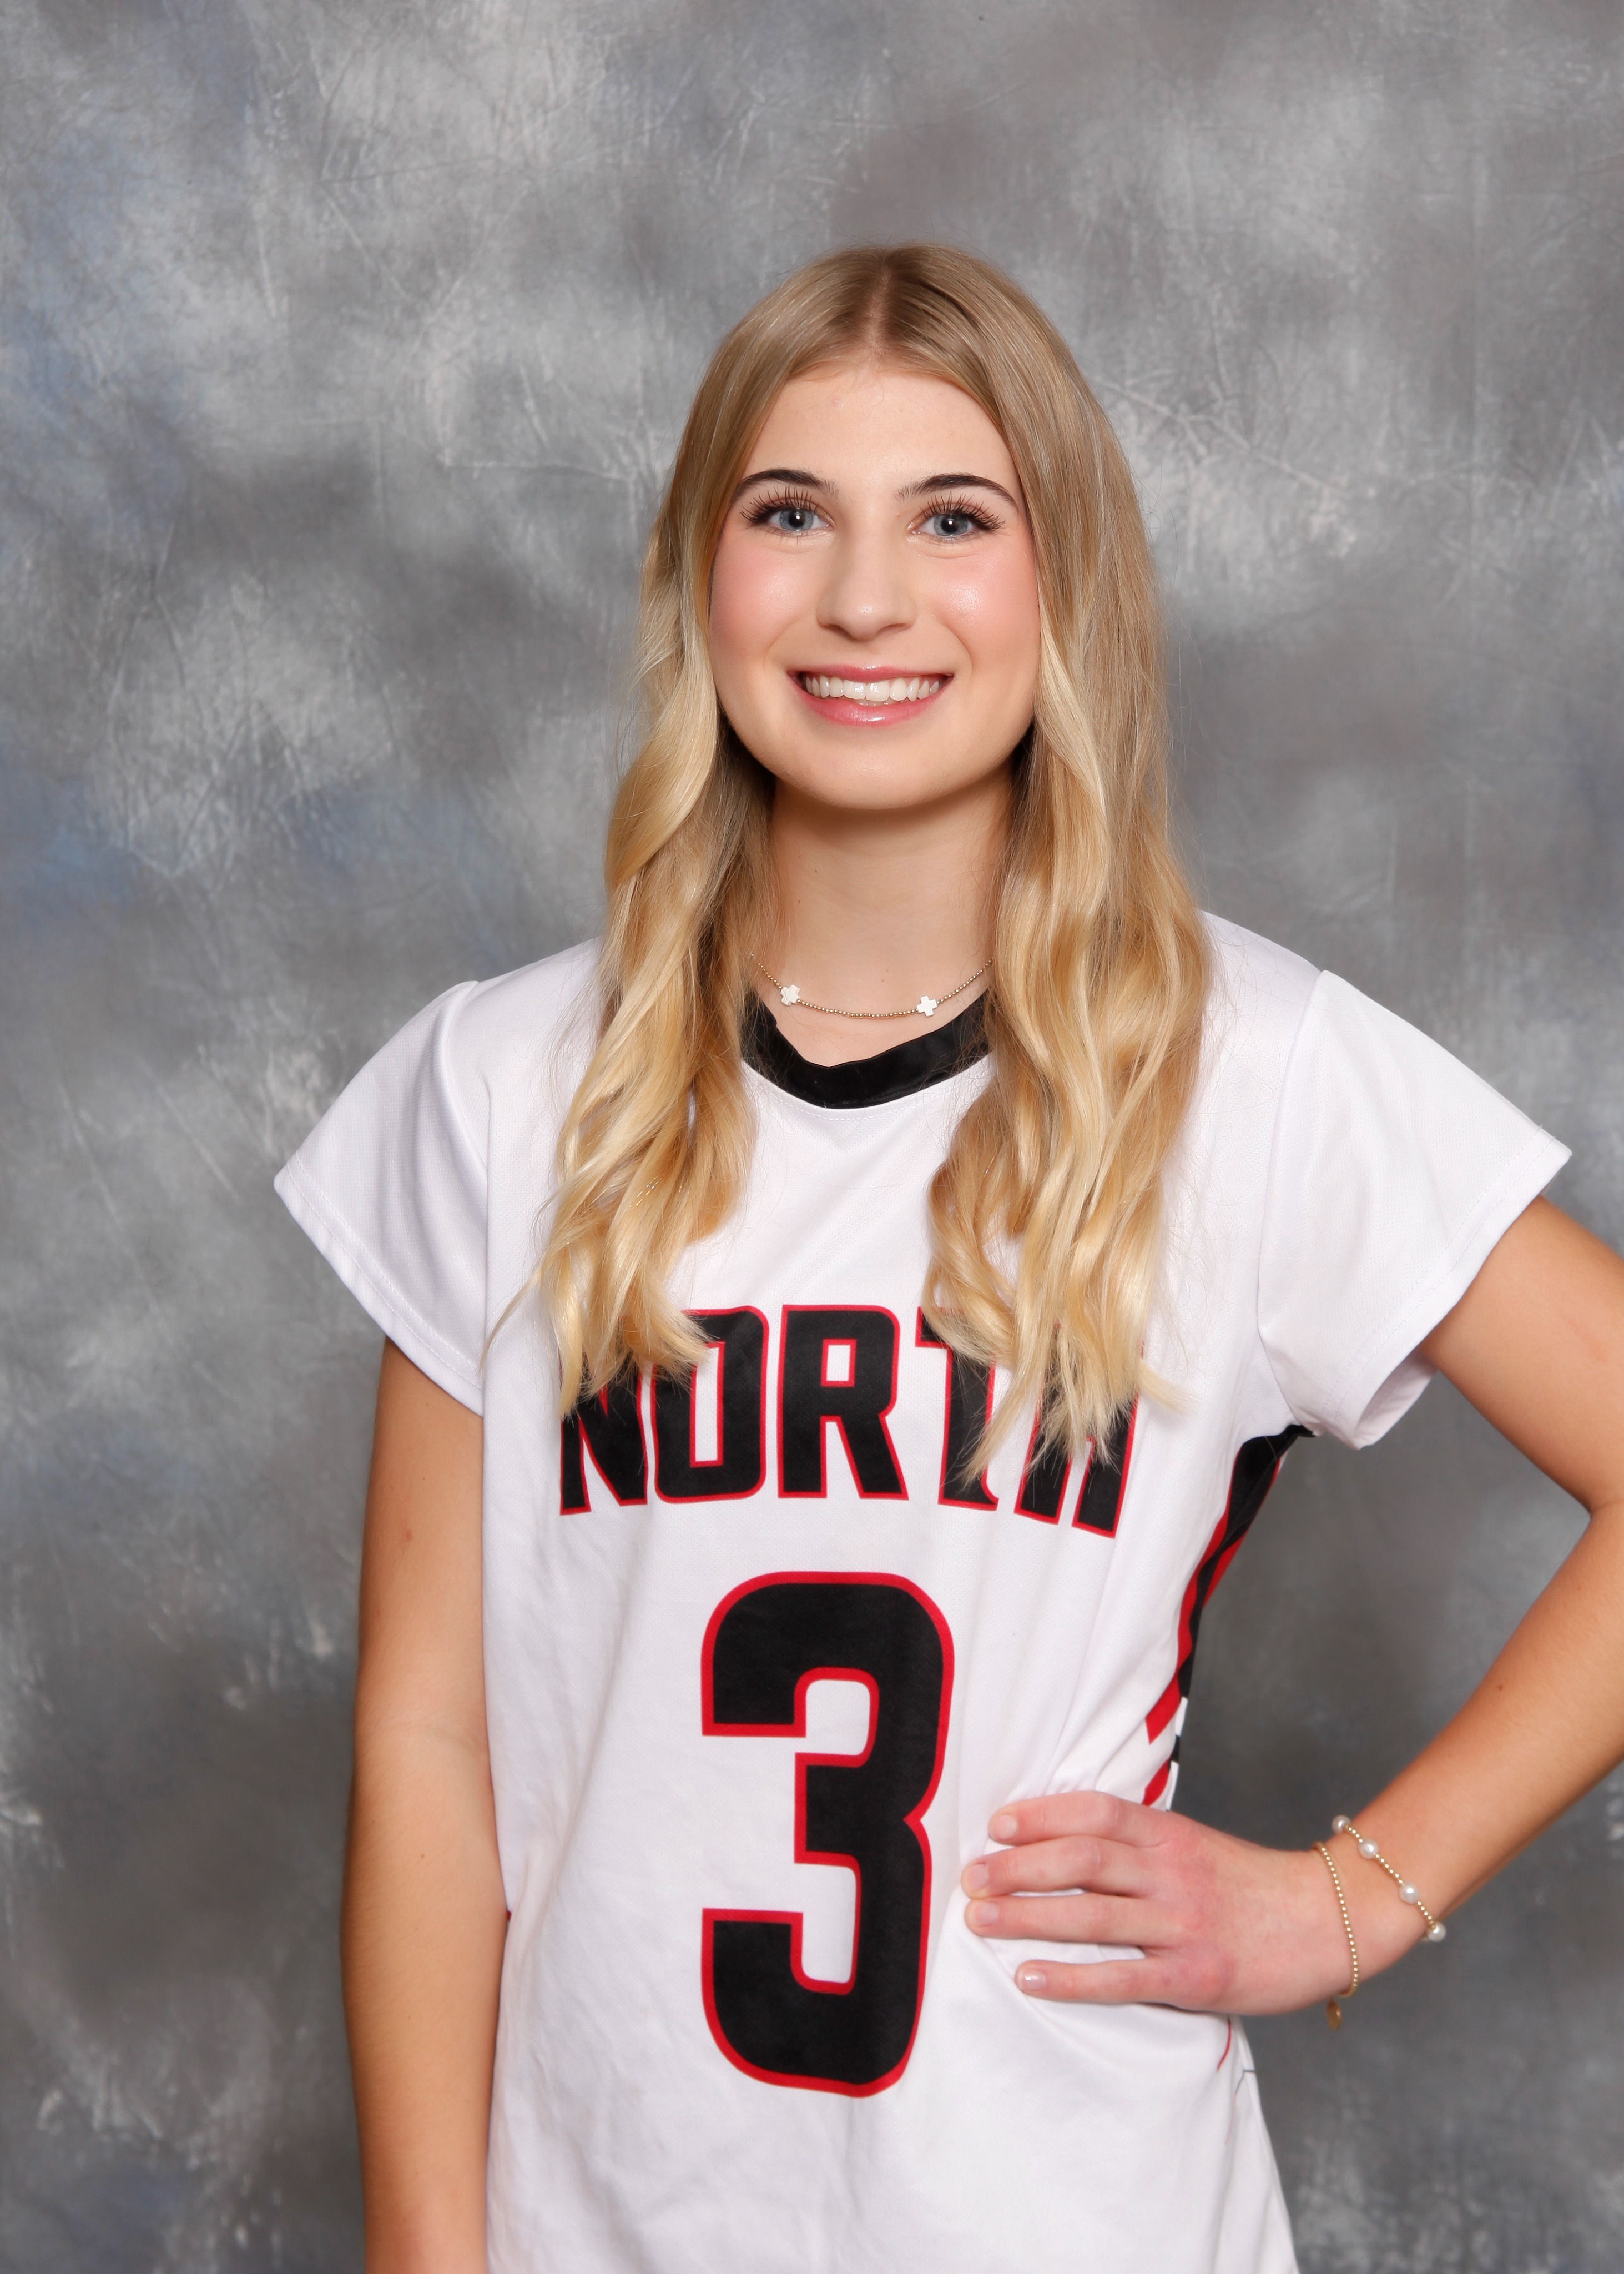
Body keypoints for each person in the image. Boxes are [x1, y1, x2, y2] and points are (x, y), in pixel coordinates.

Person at [275, 245, 1624, 2273]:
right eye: (788, 514)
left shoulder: (1250, 1072)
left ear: (1064, 587)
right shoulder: (499, 1085)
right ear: (699, 579)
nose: (864, 598)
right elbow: (428, 1745)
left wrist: (1347, 1901)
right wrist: (423, 2251)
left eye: (955, 520)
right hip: (599, 2224)